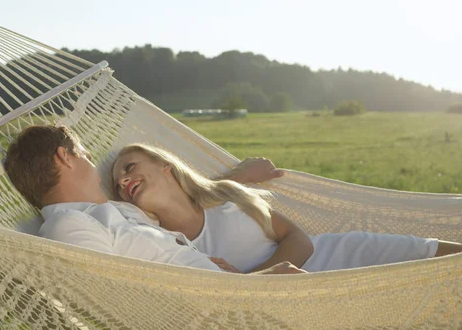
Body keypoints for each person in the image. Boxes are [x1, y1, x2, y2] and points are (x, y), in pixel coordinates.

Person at [111, 144, 462, 273]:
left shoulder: (228, 197)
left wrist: (258, 279)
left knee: (442, 258)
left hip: (340, 255)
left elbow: (301, 240)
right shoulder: (155, 241)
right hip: (301, 296)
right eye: (118, 184)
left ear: (164, 165)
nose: (124, 181)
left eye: (130, 168)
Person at [3, 125, 304, 275]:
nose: (96, 168)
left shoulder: (113, 212)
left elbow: (180, 202)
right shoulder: (68, 226)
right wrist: (253, 287)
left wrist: (238, 176)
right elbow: (119, 299)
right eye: (85, 155)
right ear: (64, 157)